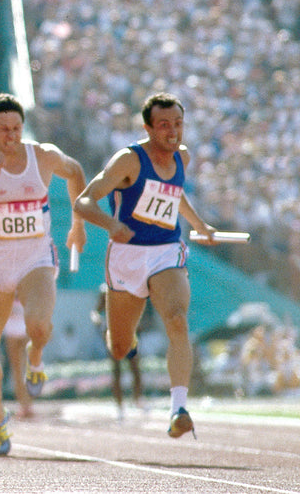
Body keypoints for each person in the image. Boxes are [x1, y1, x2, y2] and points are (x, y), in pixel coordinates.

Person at [73, 91, 217, 439]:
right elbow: (83, 201)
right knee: (121, 347)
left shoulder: (182, 156)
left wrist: (199, 225)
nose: (173, 131)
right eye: (164, 125)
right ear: (148, 128)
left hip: (167, 251)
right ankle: (123, 330)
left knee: (177, 320)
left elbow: (174, 193)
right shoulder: (128, 160)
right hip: (127, 255)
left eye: (178, 123)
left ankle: (179, 409)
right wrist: (111, 225)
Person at [0, 92, 86, 456]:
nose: (11, 136)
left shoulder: (41, 155)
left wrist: (78, 225)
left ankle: (35, 357)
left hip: (35, 257)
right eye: (4, 129)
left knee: (38, 325)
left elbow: (75, 172)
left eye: (16, 128)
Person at [92, 284, 144, 419]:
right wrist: (98, 321)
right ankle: (120, 406)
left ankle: (137, 400)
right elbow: (95, 312)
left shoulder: (127, 289)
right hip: (113, 334)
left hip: (129, 334)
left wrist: (136, 323)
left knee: (135, 368)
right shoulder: (105, 290)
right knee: (116, 371)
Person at [0, 299, 34, 419]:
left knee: (19, 371)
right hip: (17, 327)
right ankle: (26, 405)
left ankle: (25, 405)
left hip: (18, 327)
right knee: (21, 370)